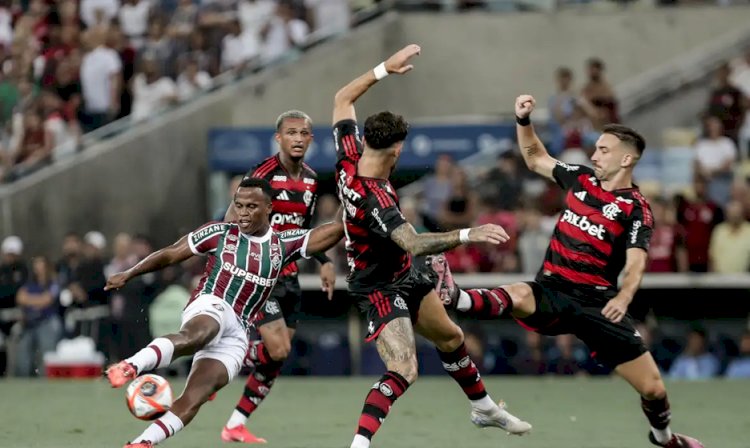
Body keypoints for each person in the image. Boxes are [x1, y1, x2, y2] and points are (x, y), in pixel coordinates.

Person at [435, 94, 704, 448]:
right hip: (553, 290)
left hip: (598, 305)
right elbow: (535, 157)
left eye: (603, 150)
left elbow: (637, 261)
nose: (594, 155)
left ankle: (665, 439)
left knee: (653, 388)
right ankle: (455, 297)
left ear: (626, 158)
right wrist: (523, 121)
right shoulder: (581, 179)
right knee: (518, 292)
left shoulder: (636, 209)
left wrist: (624, 296)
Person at [332, 44, 531, 448]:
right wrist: (465, 235)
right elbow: (412, 241)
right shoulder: (377, 198)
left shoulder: (349, 155)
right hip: (378, 287)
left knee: (452, 339)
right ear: (398, 150)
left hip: (405, 274)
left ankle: (485, 409)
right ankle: (359, 445)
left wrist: (383, 70)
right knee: (404, 369)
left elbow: (342, 98)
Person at [104, 178, 344, 448]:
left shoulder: (282, 245)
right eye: (239, 205)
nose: (243, 212)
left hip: (239, 332)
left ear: (269, 208)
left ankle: (142, 443)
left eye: (251, 206)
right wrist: (130, 272)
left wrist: (351, 191)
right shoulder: (220, 233)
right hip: (213, 303)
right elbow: (172, 253)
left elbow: (334, 231)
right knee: (197, 334)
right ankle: (130, 365)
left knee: (195, 397)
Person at [221, 110, 337, 444]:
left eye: (304, 133)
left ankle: (235, 424)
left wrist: (324, 259)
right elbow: (232, 220)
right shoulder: (262, 175)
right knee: (279, 348)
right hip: (260, 277)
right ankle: (218, 357)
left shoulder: (313, 180)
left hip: (289, 277)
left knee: (276, 358)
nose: (298, 139)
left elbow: (303, 232)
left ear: (311, 139)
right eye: (291, 133)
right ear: (279, 138)